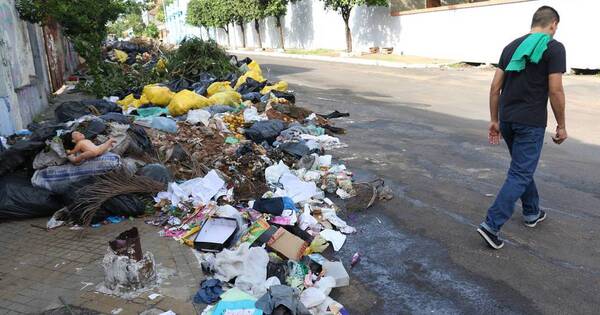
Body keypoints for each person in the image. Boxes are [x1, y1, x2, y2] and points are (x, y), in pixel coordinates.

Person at [477, 6, 567, 249]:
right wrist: (561, 124)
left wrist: (494, 119)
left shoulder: (511, 47)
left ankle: (531, 212)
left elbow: (495, 87)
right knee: (520, 172)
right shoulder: (553, 47)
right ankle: (491, 224)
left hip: (507, 119)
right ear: (553, 24)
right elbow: (555, 89)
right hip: (530, 122)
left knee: (521, 168)